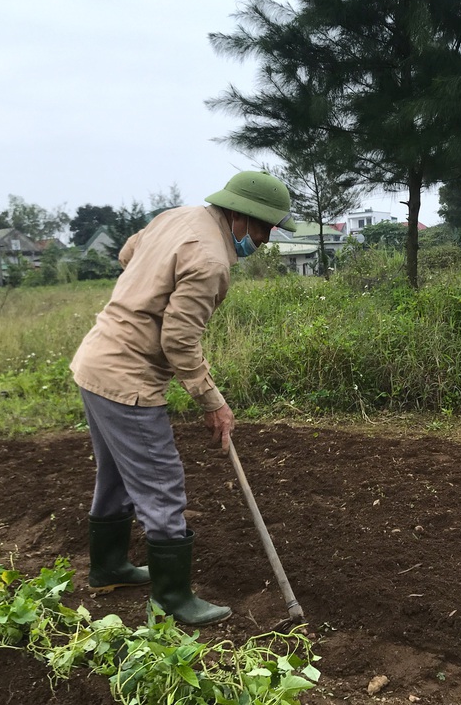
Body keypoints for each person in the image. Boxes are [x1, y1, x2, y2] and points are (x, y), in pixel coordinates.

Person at [70, 170, 295, 625]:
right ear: (239, 215)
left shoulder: (177, 217)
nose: (267, 239)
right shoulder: (211, 259)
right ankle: (172, 598)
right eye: (264, 228)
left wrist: (149, 286)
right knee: (160, 480)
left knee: (114, 474)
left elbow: (127, 252)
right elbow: (178, 341)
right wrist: (213, 401)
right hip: (127, 376)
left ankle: (109, 568)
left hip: (95, 361)